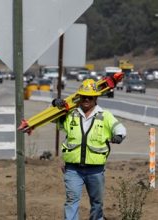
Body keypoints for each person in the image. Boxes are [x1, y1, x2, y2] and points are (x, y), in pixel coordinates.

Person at [51, 78, 127, 220]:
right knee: (71, 202)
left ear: (95, 97)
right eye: (84, 96)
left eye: (90, 97)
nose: (86, 99)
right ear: (79, 96)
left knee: (97, 203)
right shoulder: (71, 114)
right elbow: (52, 118)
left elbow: (120, 128)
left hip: (95, 170)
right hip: (73, 169)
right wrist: (56, 105)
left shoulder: (104, 116)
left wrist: (118, 136)